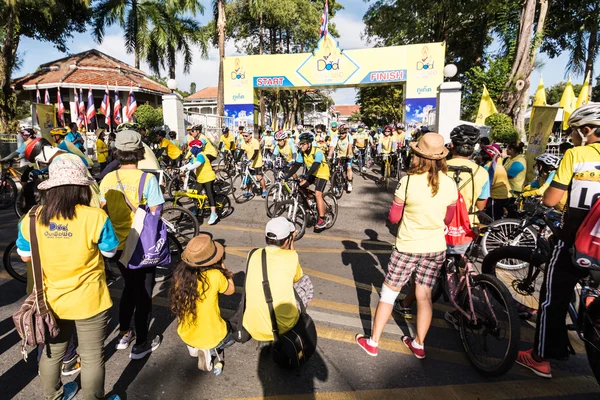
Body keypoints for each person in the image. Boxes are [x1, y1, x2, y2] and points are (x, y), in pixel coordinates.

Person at [16, 154, 120, 400]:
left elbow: (24, 256)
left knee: (52, 352)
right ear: (81, 187)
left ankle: (53, 396)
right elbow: (110, 251)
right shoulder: (96, 217)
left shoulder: (32, 217)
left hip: (50, 299)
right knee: (92, 355)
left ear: (51, 188)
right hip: (91, 299)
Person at [515, 103, 600, 379]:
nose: (572, 136)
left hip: (575, 240)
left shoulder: (577, 155)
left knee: (553, 298)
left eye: (574, 131)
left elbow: (551, 199)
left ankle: (541, 357)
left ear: (587, 131)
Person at [356, 133, 458, 359]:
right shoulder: (450, 184)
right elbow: (448, 220)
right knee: (424, 297)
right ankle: (419, 344)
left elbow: (393, 217)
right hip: (435, 247)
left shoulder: (408, 181)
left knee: (388, 295)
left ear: (417, 155)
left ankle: (373, 342)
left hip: (407, 246)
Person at [99, 129, 164, 359]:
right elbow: (156, 214)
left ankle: (124, 333)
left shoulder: (107, 179)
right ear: (139, 152)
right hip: (141, 245)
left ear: (117, 152)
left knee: (128, 287)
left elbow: (102, 210)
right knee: (144, 291)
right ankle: (142, 342)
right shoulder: (148, 179)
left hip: (116, 247)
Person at [170, 233, 235, 374]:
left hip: (185, 333)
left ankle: (194, 346)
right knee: (230, 335)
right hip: (212, 335)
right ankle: (209, 350)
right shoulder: (215, 276)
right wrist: (223, 268)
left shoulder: (180, 275)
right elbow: (231, 290)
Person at [242, 217, 304, 341]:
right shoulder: (291, 257)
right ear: (286, 241)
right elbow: (297, 278)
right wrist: (292, 244)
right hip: (283, 327)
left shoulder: (252, 253)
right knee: (305, 282)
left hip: (251, 326)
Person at [286, 132, 331, 230]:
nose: (301, 146)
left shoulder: (317, 151)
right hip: (313, 174)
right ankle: (312, 202)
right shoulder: (302, 153)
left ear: (309, 144)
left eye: (303, 144)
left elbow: (315, 165)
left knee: (318, 193)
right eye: (300, 144)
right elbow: (297, 165)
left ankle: (322, 219)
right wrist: (287, 176)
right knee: (301, 186)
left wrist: (307, 175)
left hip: (322, 174)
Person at [180, 139, 219, 225]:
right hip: (201, 179)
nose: (190, 150)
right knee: (194, 192)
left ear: (195, 148)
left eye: (191, 148)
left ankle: (214, 214)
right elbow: (190, 164)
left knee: (209, 195)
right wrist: (180, 169)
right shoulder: (195, 156)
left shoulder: (201, 155)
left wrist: (187, 169)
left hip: (208, 177)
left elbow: (197, 164)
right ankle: (197, 207)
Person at [480, 144, 511, 220]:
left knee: (493, 219)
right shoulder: (497, 165)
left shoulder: (488, 167)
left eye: (481, 155)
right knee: (497, 216)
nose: (479, 156)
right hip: (504, 194)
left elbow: (485, 184)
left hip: (496, 196)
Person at [240, 129, 268, 198]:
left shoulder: (255, 141)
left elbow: (256, 152)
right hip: (250, 161)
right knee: (248, 177)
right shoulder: (244, 142)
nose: (244, 137)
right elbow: (241, 151)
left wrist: (251, 160)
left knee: (258, 176)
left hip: (257, 161)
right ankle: (250, 191)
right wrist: (236, 160)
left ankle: (264, 189)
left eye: (246, 136)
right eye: (243, 136)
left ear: (250, 136)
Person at [328, 124, 354, 192]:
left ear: (346, 133)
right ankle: (337, 184)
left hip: (348, 155)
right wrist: (329, 156)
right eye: (340, 133)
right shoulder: (336, 137)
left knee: (348, 168)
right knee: (337, 169)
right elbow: (333, 147)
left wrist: (348, 154)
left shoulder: (349, 137)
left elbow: (350, 147)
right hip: (339, 155)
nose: (341, 135)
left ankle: (350, 183)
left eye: (343, 133)